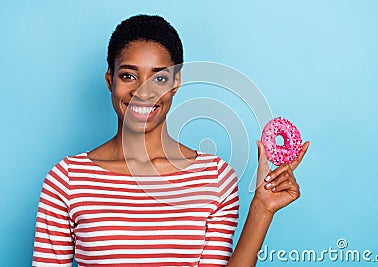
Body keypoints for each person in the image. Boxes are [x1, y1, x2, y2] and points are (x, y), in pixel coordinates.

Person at [32, 14, 309, 267]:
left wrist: (262, 209)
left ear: (175, 83)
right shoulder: (67, 179)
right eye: (128, 75)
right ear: (110, 80)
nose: (142, 92)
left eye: (159, 78)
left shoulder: (214, 177)